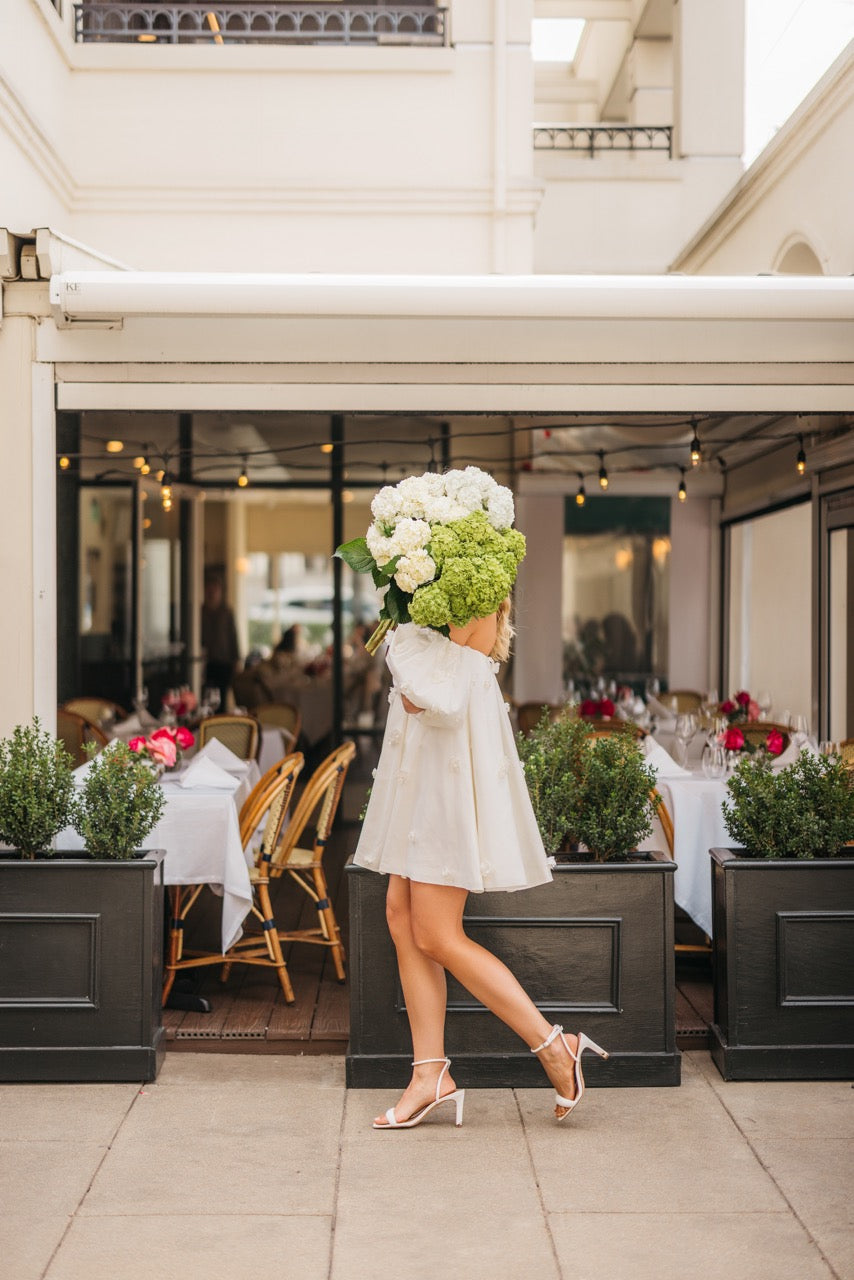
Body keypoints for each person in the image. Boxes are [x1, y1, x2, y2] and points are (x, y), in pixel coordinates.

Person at [353, 599, 609, 1130]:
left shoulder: (466, 594)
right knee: (400, 917)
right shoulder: (436, 591)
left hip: (447, 773)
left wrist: (401, 636)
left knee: (436, 933)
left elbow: (429, 699)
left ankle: (554, 1045)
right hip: (422, 769)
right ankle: (430, 1076)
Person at [200, 572, 240, 710]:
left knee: (222, 699)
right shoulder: (201, 612)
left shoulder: (226, 612)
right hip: (207, 663)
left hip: (224, 662)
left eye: (215, 590)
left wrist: (236, 659)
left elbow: (233, 636)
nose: (212, 593)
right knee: (206, 698)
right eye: (209, 590)